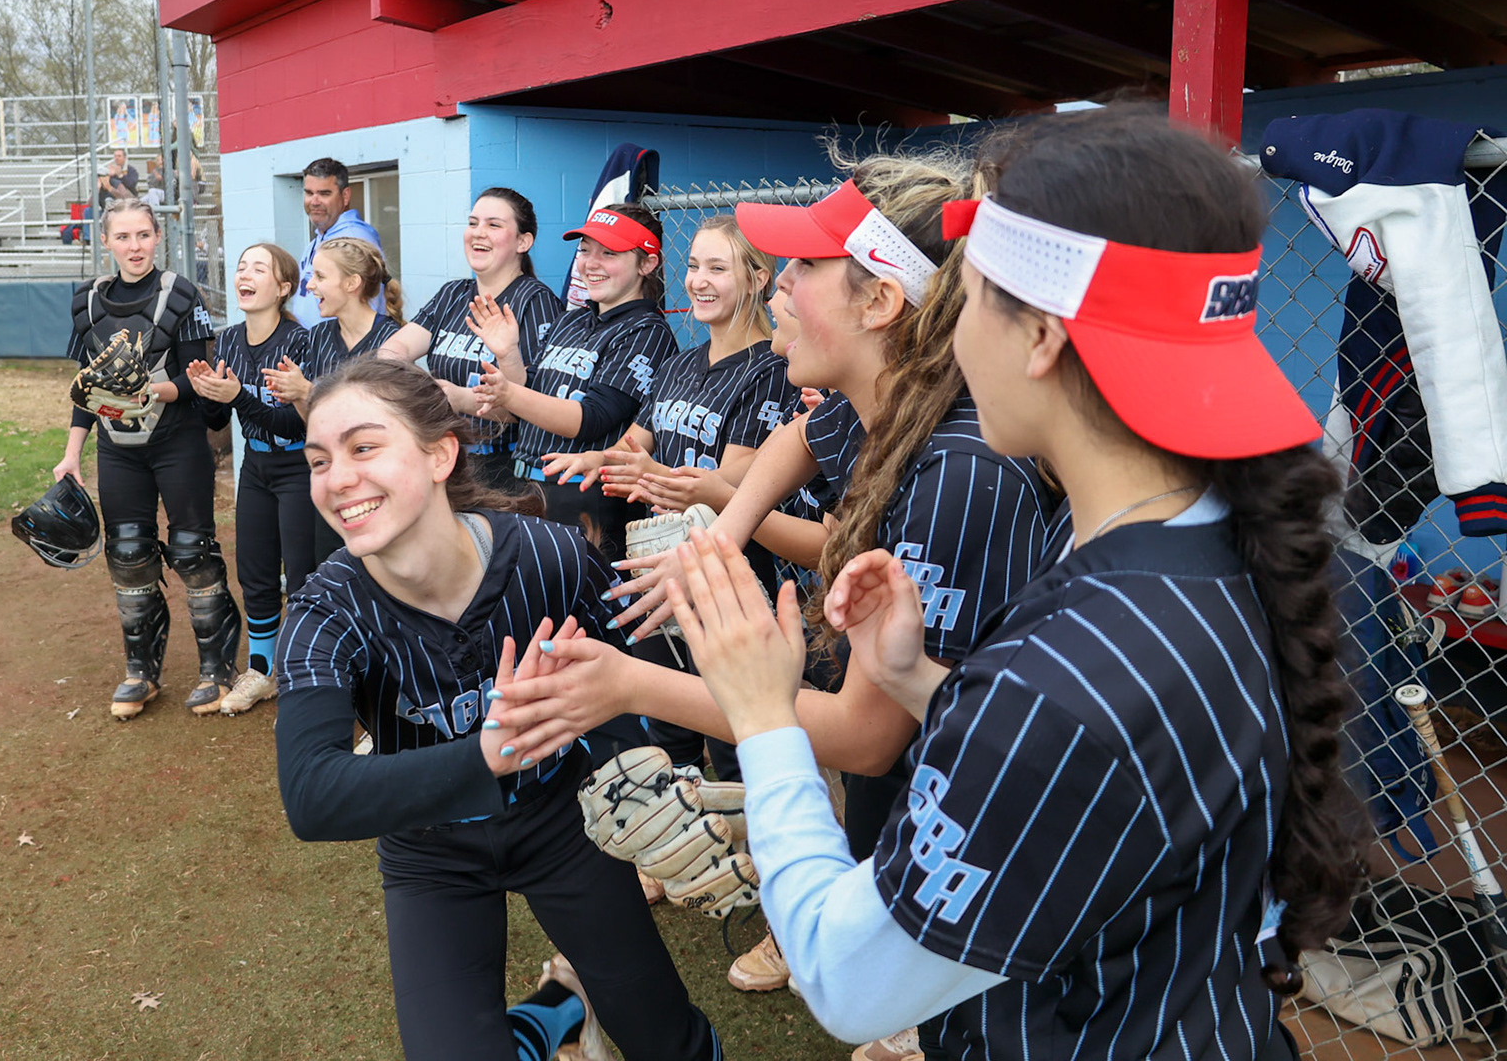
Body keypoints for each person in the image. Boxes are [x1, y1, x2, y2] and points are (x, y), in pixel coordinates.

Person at [669, 107, 1369, 1061]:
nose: (953, 341)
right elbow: (1097, 782)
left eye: (974, 303)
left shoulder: (1076, 658)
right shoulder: (1215, 553)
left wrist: (761, 716)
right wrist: (924, 682)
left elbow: (848, 977)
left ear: (1039, 335)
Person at [490, 158, 1064, 1041]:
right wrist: (719, 536)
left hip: (1000, 820)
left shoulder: (960, 470)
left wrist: (630, 687)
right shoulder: (882, 399)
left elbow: (871, 738)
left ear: (879, 306)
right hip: (944, 767)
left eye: (803, 268)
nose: (781, 287)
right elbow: (799, 437)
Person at [274, 356, 721, 1061]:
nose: (337, 479)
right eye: (320, 459)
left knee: (665, 1040)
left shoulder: (553, 558)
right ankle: (556, 1012)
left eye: (364, 447)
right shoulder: (327, 609)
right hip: (429, 850)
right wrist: (488, 753)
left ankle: (588, 1001)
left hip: (565, 823)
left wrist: (650, 772)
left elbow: (637, 680)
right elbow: (311, 795)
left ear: (440, 454)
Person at [537, 215, 797, 785]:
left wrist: (650, 474)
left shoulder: (773, 371)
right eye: (694, 266)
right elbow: (638, 441)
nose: (699, 281)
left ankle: (751, 863)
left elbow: (736, 482)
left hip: (729, 570)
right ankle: (684, 859)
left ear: (757, 279)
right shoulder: (681, 362)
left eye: (718, 268)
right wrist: (598, 459)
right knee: (670, 726)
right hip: (664, 569)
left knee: (732, 735)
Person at [54, 199, 240, 719]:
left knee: (191, 551)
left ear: (158, 237)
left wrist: (151, 391)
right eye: (123, 237)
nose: (134, 247)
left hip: (177, 443)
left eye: (142, 236)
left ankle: (215, 670)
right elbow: (85, 390)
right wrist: (72, 455)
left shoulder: (180, 295)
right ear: (107, 242)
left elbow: (197, 379)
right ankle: (141, 672)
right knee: (129, 552)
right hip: (119, 450)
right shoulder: (86, 302)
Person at [472, 202, 678, 564]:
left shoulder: (646, 331)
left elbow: (590, 419)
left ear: (647, 263)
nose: (590, 263)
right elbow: (531, 394)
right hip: (524, 485)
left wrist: (509, 392)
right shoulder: (572, 321)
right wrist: (508, 356)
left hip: (584, 499)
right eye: (584, 250)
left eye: (609, 253)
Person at [188, 243, 316, 718]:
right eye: (241, 266)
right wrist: (208, 393)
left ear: (283, 288)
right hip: (256, 468)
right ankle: (262, 672)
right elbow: (219, 417)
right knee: (257, 572)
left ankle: (303, 672)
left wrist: (238, 395)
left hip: (299, 467)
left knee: (303, 575)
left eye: (258, 268)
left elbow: (297, 425)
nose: (245, 273)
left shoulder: (299, 341)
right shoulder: (227, 339)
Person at [379, 187, 561, 491]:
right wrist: (419, 385)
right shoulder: (453, 294)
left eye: (494, 225)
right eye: (473, 222)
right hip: (444, 457)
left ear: (523, 241)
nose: (478, 233)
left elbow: (530, 406)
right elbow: (394, 348)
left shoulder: (535, 301)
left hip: (500, 467)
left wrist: (461, 398)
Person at [264, 237, 404, 565]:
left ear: (352, 283)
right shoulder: (318, 336)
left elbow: (382, 417)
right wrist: (296, 394)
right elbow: (312, 422)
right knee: (332, 566)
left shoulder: (392, 340)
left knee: (377, 568)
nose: (310, 286)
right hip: (332, 480)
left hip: (375, 484)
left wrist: (307, 390)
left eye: (320, 277)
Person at [291, 157, 383, 325]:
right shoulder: (319, 238)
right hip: (314, 347)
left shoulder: (354, 239)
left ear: (345, 195)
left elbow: (362, 314)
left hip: (342, 350)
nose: (314, 201)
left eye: (324, 193)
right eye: (309, 193)